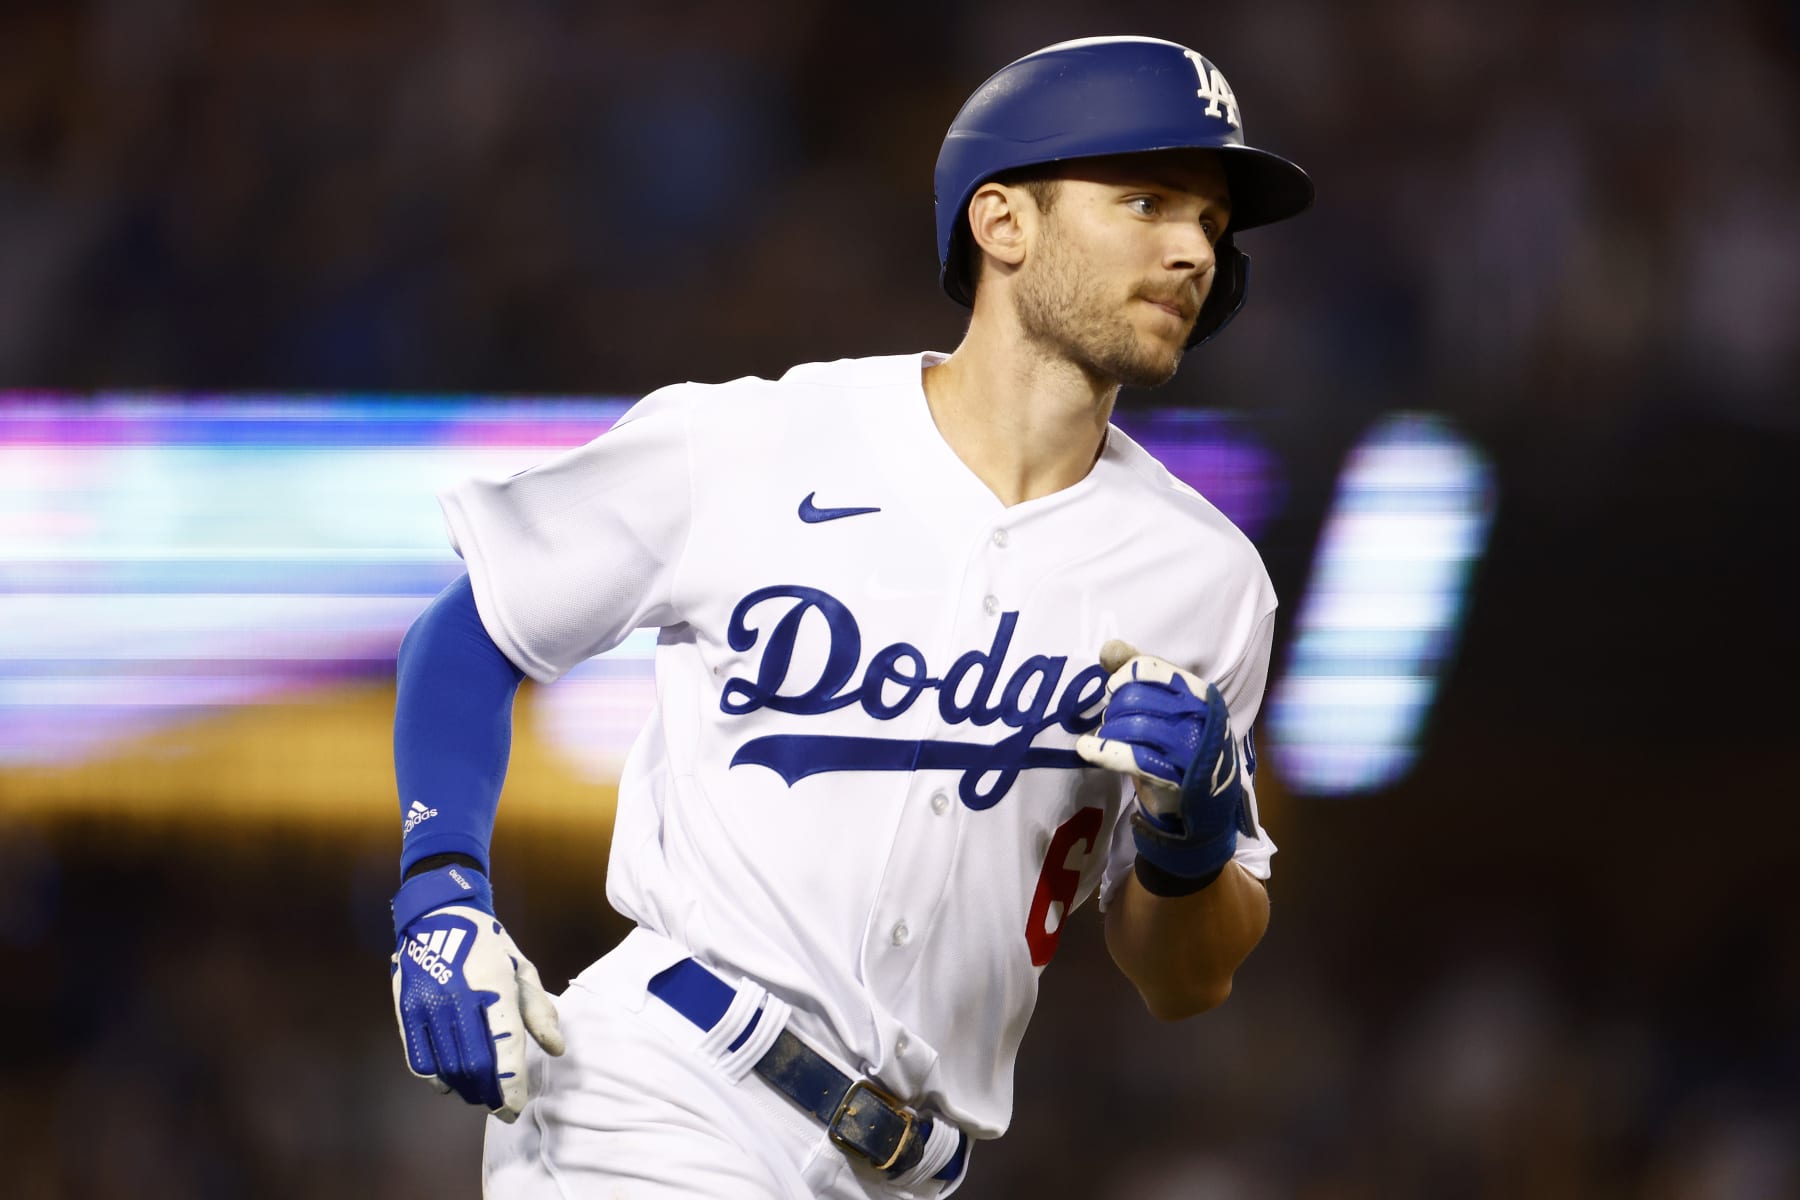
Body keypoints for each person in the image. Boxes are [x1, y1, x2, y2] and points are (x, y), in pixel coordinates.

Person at [389, 34, 1313, 1199]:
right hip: (661, 1091)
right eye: (1148, 203)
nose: (1194, 250)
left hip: (905, 1172)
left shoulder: (1206, 578)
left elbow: (1184, 978)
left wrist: (1190, 847)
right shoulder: (762, 439)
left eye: (1212, 225)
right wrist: (439, 888)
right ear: (1002, 221)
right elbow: (476, 629)